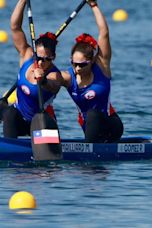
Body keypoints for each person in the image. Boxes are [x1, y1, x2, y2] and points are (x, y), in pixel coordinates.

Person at [61, 0, 124, 143]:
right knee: (90, 116)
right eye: (74, 64)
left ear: (91, 61)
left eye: (82, 65)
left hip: (111, 125)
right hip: (89, 128)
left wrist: (94, 6)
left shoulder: (102, 67)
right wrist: (43, 75)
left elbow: (104, 33)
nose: (77, 68)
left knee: (93, 114)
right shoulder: (68, 77)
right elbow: (54, 78)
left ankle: (90, 150)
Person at [3, 0, 63, 138]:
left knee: (37, 119)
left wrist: (43, 81)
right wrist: (22, 1)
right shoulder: (26, 55)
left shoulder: (55, 75)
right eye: (39, 57)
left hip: (43, 122)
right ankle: (9, 149)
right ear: (34, 53)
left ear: (53, 57)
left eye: (46, 59)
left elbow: (52, 86)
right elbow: (15, 26)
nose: (41, 62)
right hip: (19, 120)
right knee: (9, 112)